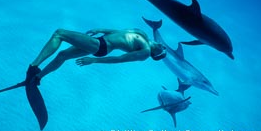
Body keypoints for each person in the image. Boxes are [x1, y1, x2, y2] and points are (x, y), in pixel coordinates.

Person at [26, 28, 167, 85]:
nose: (164, 46)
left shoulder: (145, 52)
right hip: (100, 40)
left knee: (59, 33)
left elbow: (119, 59)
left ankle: (33, 66)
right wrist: (100, 29)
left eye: (163, 50)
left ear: (156, 54)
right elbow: (119, 32)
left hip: (100, 46)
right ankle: (38, 77)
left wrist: (94, 60)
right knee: (62, 55)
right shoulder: (143, 34)